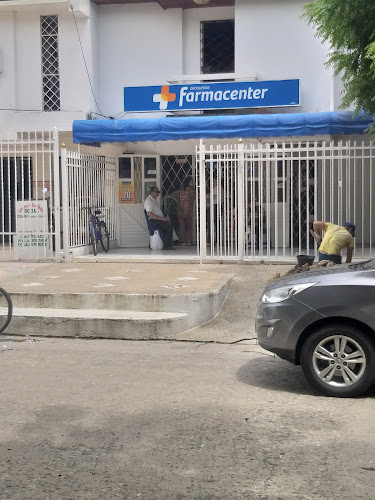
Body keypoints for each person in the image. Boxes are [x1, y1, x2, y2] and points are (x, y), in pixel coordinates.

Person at [172, 176, 196, 246]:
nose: (193, 183)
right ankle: (189, 241)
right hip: (188, 210)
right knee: (188, 226)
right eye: (192, 182)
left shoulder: (181, 190)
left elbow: (172, 195)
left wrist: (178, 201)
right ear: (189, 182)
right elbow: (197, 197)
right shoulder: (192, 191)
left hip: (181, 209)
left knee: (182, 226)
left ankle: (184, 241)